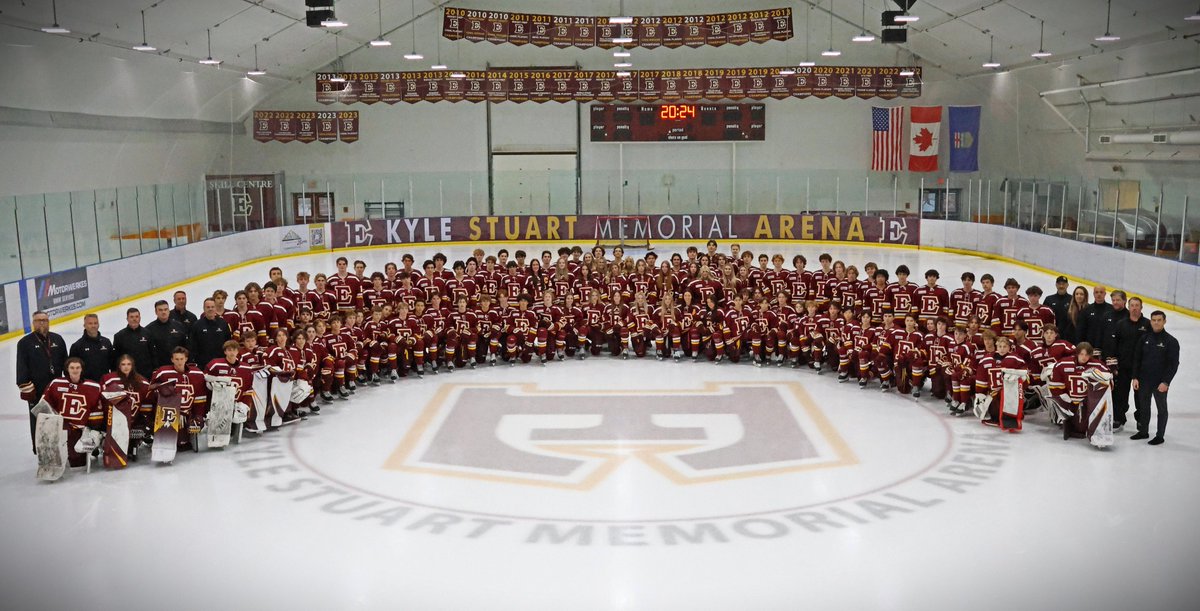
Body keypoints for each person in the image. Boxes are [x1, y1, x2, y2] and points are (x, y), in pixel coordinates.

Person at [16, 310, 68, 454]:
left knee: (58, 418)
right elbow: (21, 368)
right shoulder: (25, 343)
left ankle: (58, 448)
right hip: (37, 390)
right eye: (38, 320)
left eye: (44, 320)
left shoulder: (57, 339)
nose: (42, 323)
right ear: (33, 323)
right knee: (38, 420)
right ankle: (39, 449)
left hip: (57, 389)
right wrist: (27, 390)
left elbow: (67, 364)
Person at [1131, 311, 1179, 445]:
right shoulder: (1144, 338)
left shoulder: (1171, 341)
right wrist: (1135, 377)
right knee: (1144, 407)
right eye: (1153, 320)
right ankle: (1143, 432)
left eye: (1159, 320)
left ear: (1164, 321)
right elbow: (1137, 359)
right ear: (1150, 321)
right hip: (1144, 380)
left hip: (1160, 383)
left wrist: (1166, 382)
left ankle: (1160, 435)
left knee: (1161, 408)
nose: (1156, 322)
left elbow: (1173, 364)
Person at [1105, 295, 1151, 432]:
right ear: (1128, 306)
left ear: (1141, 308)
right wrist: (1113, 365)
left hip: (1141, 368)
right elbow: (1114, 344)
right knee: (1120, 394)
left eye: (1137, 305)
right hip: (1123, 366)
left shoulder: (1147, 324)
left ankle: (1141, 420)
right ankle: (1119, 418)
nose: (1135, 308)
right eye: (1132, 305)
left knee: (1140, 396)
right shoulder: (1121, 324)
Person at [68, 313, 114, 382]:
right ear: (84, 325)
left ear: (98, 325)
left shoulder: (106, 342)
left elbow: (112, 364)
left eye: (95, 323)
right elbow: (71, 369)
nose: (93, 326)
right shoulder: (77, 346)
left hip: (105, 383)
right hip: (86, 385)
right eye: (90, 323)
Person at [144, 299, 189, 368]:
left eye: (165, 309)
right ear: (156, 312)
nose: (163, 312)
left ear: (169, 311)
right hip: (160, 367)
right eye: (160, 310)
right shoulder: (149, 330)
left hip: (179, 365)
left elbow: (185, 346)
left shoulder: (179, 326)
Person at [113, 307, 156, 379]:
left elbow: (153, 354)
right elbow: (116, 358)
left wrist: (155, 370)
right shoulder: (119, 336)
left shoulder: (148, 334)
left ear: (140, 318)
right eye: (131, 317)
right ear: (127, 319)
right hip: (127, 374)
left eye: (136, 316)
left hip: (146, 374)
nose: (134, 319)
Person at [189, 297, 232, 367]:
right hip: (203, 364)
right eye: (208, 307)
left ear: (215, 308)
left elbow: (228, 342)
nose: (210, 309)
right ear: (204, 309)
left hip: (221, 362)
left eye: (212, 307)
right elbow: (192, 346)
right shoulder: (197, 325)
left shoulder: (223, 323)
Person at [1077, 285, 1113, 353]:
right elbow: (1081, 330)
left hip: (1106, 348)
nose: (1099, 294)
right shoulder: (1086, 310)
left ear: (1105, 294)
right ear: (1093, 294)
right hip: (1089, 347)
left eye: (1101, 292)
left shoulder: (1111, 309)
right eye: (1096, 292)